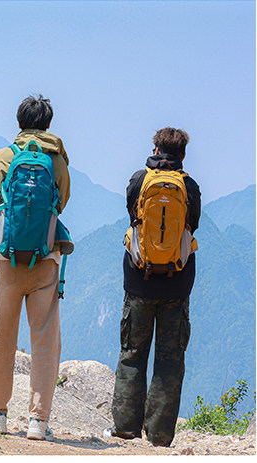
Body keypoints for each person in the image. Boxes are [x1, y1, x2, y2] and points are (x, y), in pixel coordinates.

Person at [0, 94, 70, 441]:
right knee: (44, 341)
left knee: (2, 338)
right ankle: (38, 421)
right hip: (45, 258)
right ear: (48, 124)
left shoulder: (5, 155)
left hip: (8, 258)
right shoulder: (56, 159)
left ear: (19, 123)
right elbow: (62, 201)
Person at [106, 127, 201, 447]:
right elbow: (192, 225)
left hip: (139, 281)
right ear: (183, 155)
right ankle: (159, 436)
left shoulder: (138, 181)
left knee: (132, 354)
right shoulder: (189, 187)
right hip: (177, 284)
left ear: (155, 150)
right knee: (170, 360)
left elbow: (133, 216)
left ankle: (125, 428)